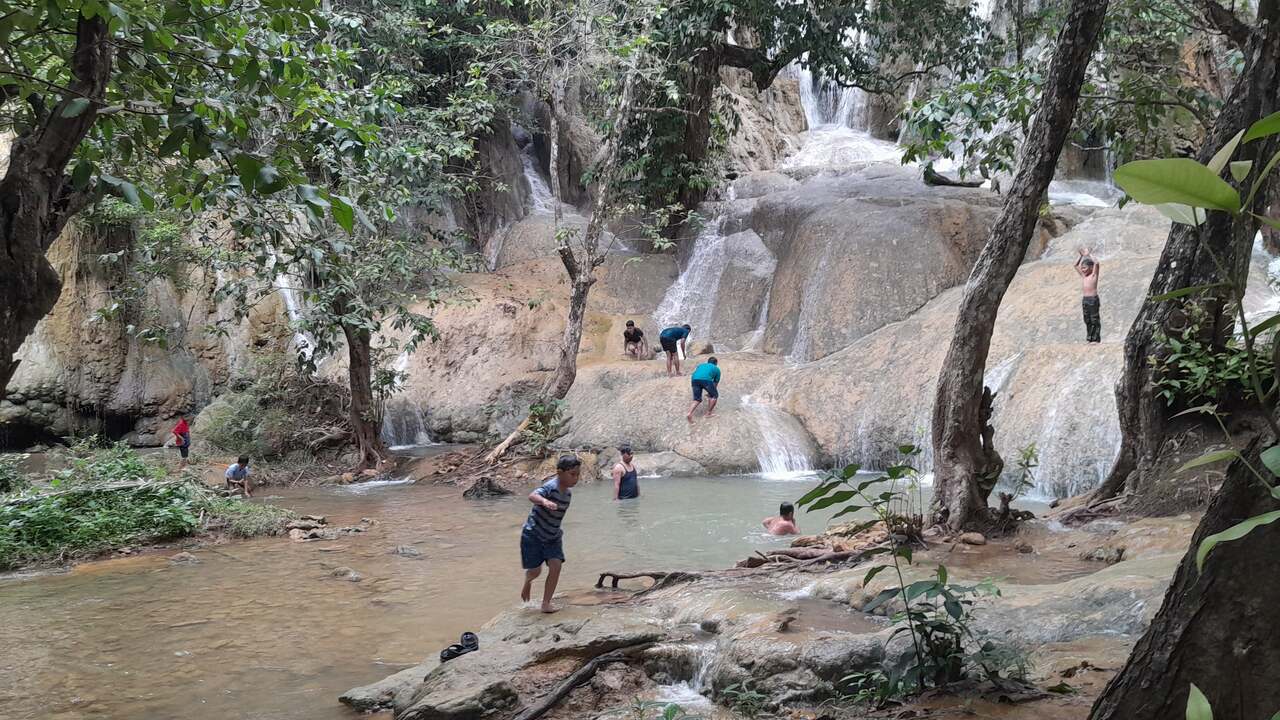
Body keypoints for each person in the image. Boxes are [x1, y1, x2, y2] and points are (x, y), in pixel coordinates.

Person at [520, 454, 581, 613]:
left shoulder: (568, 494)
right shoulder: (550, 487)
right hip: (533, 534)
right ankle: (528, 581)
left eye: (578, 475)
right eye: (572, 474)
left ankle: (546, 604)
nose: (576, 478)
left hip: (553, 536)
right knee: (535, 571)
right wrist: (544, 501)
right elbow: (532, 495)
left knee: (556, 566)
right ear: (560, 472)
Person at [1074, 247, 1102, 343]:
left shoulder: (1093, 275)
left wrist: (1089, 254)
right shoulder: (1083, 276)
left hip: (1093, 299)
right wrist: (1081, 256)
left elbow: (1096, 263)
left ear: (1090, 268)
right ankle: (1089, 338)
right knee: (1087, 319)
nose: (1083, 270)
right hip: (1085, 299)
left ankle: (1096, 339)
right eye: (1082, 268)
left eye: (1085, 268)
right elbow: (1075, 265)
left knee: (1094, 319)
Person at [687, 356, 720, 423]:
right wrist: (712, 393)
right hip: (706, 379)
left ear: (708, 362)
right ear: (716, 363)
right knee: (714, 396)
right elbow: (715, 383)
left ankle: (689, 413)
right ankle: (708, 413)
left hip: (694, 379)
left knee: (697, 399)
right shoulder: (717, 369)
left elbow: (698, 373)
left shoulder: (701, 365)